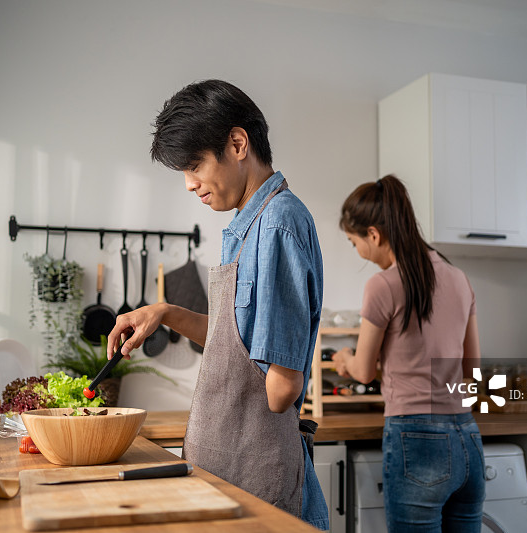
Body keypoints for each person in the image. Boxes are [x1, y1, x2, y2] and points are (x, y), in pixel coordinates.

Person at [107, 79, 329, 530]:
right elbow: (239, 341)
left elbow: (281, 386)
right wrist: (165, 312)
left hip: (258, 479)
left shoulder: (277, 226)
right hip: (228, 475)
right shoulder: (246, 229)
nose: (190, 185)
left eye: (195, 166)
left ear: (237, 143)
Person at [332, 175, 485, 532]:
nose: (358, 252)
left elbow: (365, 371)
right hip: (467, 435)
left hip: (416, 439)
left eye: (354, 242)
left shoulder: (383, 285)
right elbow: (474, 371)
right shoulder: (459, 278)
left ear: (373, 234)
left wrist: (344, 359)